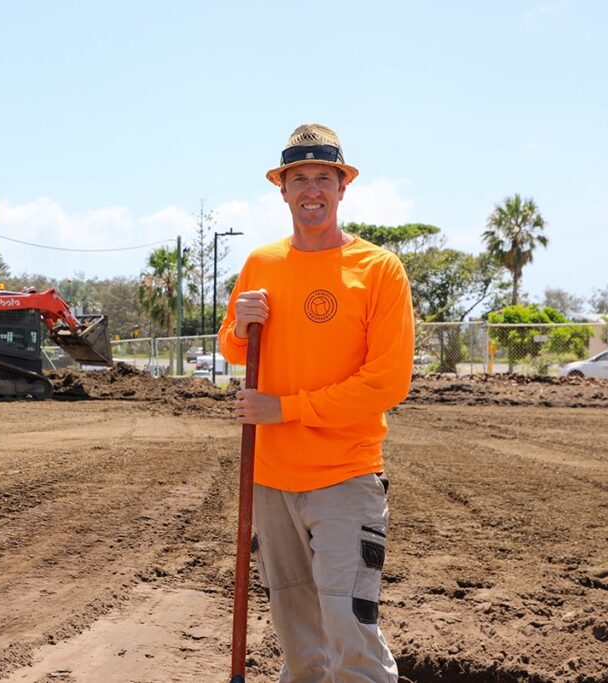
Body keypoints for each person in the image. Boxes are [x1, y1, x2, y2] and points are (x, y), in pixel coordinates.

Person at [218, 123, 415, 682]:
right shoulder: (262, 263)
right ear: (282, 189)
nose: (311, 189)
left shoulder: (378, 270)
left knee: (349, 633)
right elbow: (233, 347)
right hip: (272, 479)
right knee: (300, 642)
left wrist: (285, 409)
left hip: (345, 478)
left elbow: (386, 383)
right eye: (298, 177)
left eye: (322, 178)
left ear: (342, 187)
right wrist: (242, 324)